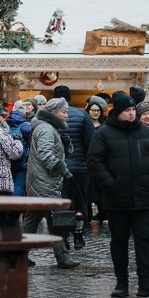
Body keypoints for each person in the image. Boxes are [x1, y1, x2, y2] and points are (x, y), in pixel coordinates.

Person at [88, 92, 149, 298]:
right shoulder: (103, 133)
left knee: (144, 240)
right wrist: (110, 184)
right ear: (118, 112)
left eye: (133, 110)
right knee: (119, 241)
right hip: (116, 198)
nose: (132, 114)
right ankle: (122, 282)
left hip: (143, 196)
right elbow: (95, 162)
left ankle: (145, 282)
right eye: (127, 111)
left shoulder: (145, 133)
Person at [22, 98, 81, 269]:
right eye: (64, 112)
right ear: (54, 113)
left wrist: (65, 144)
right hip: (44, 181)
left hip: (42, 181)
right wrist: (65, 171)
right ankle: (62, 257)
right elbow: (46, 154)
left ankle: (20, 255)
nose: (67, 115)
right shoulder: (46, 129)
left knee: (35, 220)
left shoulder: (49, 127)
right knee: (55, 220)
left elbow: (53, 151)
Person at [52, 85, 95, 249]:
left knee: (63, 204)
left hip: (58, 169)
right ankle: (79, 235)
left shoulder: (50, 117)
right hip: (80, 168)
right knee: (80, 202)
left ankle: (64, 237)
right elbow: (90, 143)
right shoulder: (83, 116)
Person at [7, 103, 33, 196]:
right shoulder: (26, 126)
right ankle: (16, 207)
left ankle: (8, 207)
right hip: (23, 162)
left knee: (9, 185)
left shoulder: (7, 124)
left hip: (9, 160)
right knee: (19, 185)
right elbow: (32, 143)